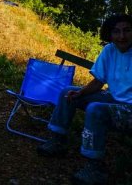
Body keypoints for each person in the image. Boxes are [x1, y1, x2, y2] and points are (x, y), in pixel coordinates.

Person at [37, 14, 132, 184]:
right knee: (68, 92)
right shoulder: (110, 50)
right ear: (110, 34)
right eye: (116, 32)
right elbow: (98, 82)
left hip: (129, 109)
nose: (122, 36)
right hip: (114, 99)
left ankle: (95, 168)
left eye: (127, 31)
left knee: (95, 109)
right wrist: (80, 93)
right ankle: (57, 141)